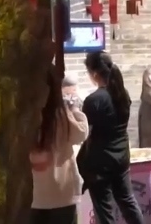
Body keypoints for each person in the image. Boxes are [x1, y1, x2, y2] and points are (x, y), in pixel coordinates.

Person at [79, 52, 145, 224]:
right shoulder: (123, 95)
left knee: (104, 209)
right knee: (127, 201)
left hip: (100, 161)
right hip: (121, 156)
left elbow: (85, 133)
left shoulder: (94, 100)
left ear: (94, 74)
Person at [30, 73, 90, 224]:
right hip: (62, 193)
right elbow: (81, 134)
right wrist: (75, 110)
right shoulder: (61, 115)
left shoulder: (24, 116)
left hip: (33, 193)